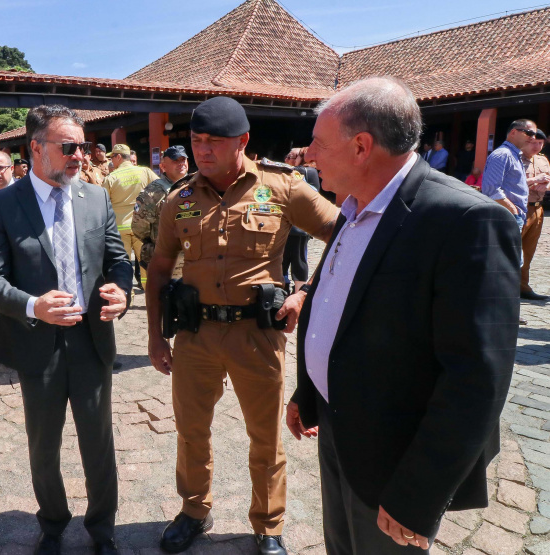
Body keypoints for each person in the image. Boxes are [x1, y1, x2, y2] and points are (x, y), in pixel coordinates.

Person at [286, 76, 519, 555]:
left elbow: (477, 379)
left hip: (396, 458)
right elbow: (337, 305)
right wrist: (308, 392)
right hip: (338, 427)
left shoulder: (465, 221)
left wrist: (418, 494)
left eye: (317, 143)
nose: (309, 154)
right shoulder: (352, 206)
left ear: (361, 147)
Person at [146, 96, 338, 555]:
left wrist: (305, 293)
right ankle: (194, 509)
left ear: (243, 141)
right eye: (196, 141)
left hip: (258, 335)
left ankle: (268, 526)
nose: (203, 151)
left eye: (215, 141)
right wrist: (155, 335)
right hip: (196, 336)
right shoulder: (181, 198)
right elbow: (158, 269)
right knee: (192, 430)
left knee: (265, 436)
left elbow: (345, 232)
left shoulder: (283, 188)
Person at [0, 105, 132, 555]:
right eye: (68, 147)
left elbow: (118, 261)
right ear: (36, 148)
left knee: (98, 442)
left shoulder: (95, 197)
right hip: (37, 345)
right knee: (43, 445)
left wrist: (122, 292)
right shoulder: (4, 202)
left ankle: (102, 530)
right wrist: (32, 305)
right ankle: (52, 524)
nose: (79, 156)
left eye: (82, 147)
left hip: (90, 340)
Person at [101, 144, 159, 290]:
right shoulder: (145, 172)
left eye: (112, 157)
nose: (111, 161)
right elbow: (161, 189)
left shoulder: (111, 178)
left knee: (122, 266)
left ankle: (127, 297)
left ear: (118, 157)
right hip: (143, 227)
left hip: (119, 229)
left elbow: (102, 204)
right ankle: (150, 297)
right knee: (147, 264)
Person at [131, 145, 189, 277]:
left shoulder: (196, 185)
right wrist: (155, 240)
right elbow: (139, 227)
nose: (181, 164)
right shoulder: (154, 192)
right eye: (175, 161)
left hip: (193, 259)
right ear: (163, 167)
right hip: (167, 260)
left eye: (183, 160)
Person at [482, 119, 535, 235]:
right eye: (529, 133)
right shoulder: (503, 154)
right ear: (513, 132)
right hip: (504, 218)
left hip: (510, 217)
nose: (532, 138)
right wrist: (514, 211)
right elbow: (491, 190)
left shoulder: (514, 155)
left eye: (534, 135)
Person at [279, 149, 321, 293]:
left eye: (291, 156)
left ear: (301, 159)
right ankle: (285, 289)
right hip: (295, 226)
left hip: (297, 226)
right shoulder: (309, 172)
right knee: (289, 259)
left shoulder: (304, 172)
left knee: (297, 260)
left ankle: (297, 292)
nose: (287, 159)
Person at [520, 129, 550, 300]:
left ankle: (523, 287)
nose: (537, 146)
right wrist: (533, 182)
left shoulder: (543, 160)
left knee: (528, 251)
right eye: (534, 143)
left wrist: (546, 185)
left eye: (540, 143)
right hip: (520, 208)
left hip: (538, 210)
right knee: (513, 250)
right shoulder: (516, 159)